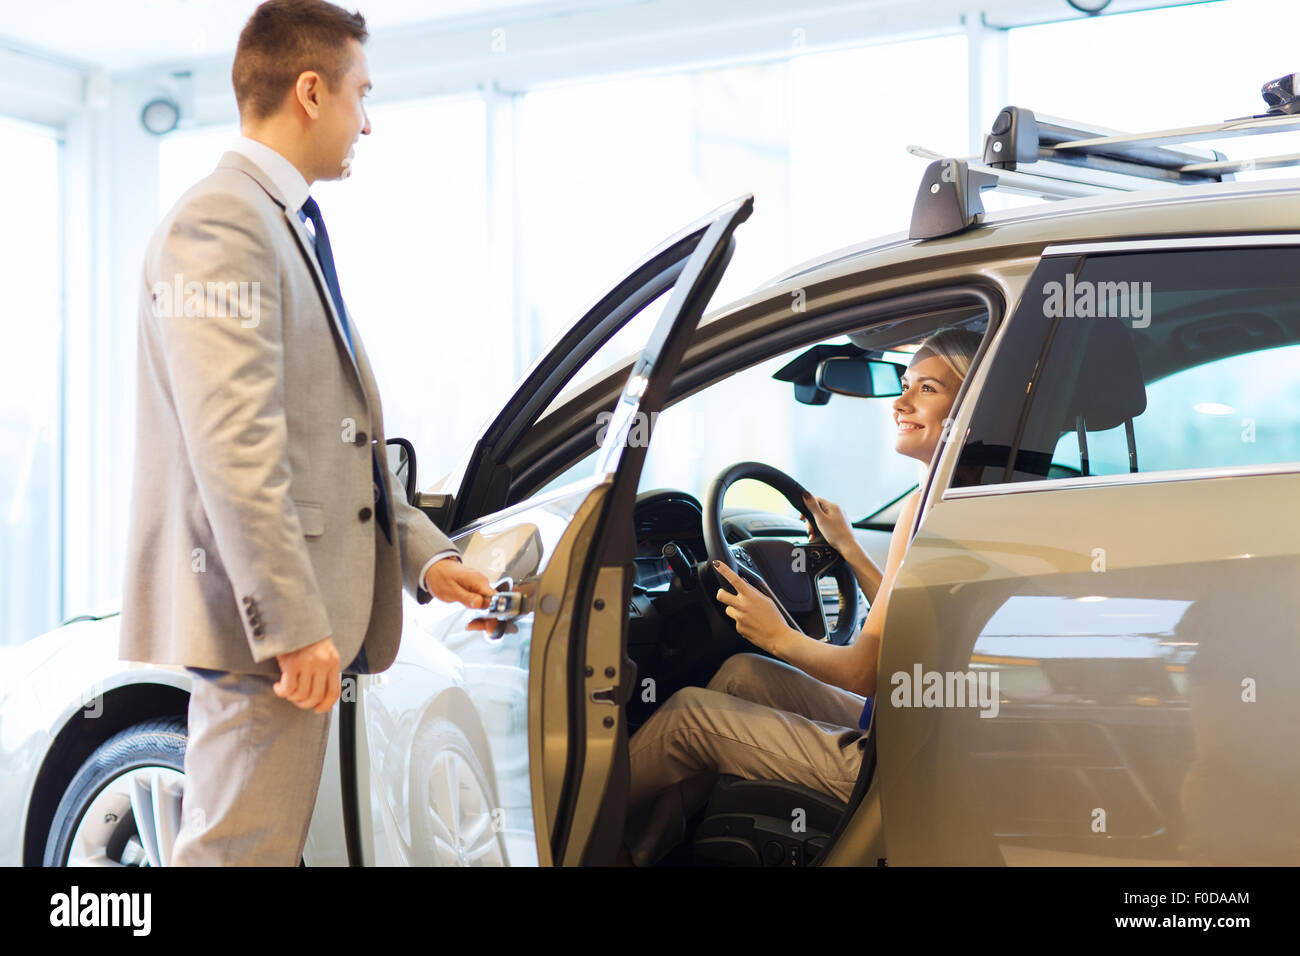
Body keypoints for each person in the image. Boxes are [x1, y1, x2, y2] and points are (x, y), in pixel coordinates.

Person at [118, 0, 495, 866]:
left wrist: (425, 557)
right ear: (312, 90)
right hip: (263, 633)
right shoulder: (220, 222)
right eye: (364, 92)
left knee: (255, 850)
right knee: (235, 854)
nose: (370, 119)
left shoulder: (280, 222)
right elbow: (234, 445)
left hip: (286, 624)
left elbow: (334, 444)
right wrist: (290, 625)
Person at [622, 326, 984, 866]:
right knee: (740, 674)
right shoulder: (963, 490)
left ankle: (560, 834)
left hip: (893, 769)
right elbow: (907, 619)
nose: (901, 403)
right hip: (914, 736)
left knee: (686, 716)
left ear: (972, 403)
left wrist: (778, 633)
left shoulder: (933, 506)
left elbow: (865, 672)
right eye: (904, 384)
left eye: (927, 390)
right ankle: (649, 848)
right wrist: (849, 549)